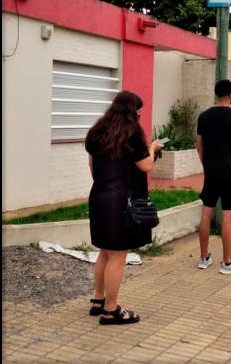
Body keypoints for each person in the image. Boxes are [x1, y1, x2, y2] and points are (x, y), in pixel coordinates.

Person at [85, 91, 164, 325]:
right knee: (118, 255)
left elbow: (92, 166)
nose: (140, 115)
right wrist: (153, 148)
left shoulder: (96, 133)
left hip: (99, 195)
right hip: (120, 201)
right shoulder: (132, 135)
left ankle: (98, 301)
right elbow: (146, 166)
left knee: (104, 251)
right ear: (133, 112)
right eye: (139, 111)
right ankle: (112, 310)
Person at [196, 79, 231, 275]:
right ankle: (227, 263)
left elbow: (199, 145)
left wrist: (206, 165)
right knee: (228, 214)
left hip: (212, 172)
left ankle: (203, 258)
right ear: (230, 94)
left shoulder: (204, 116)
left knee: (207, 212)